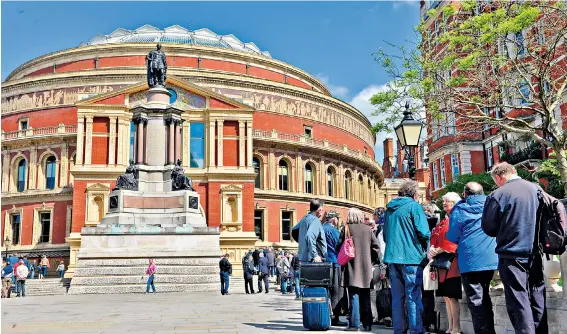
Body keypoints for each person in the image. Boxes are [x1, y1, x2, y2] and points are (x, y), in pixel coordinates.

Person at [481, 162, 547, 333]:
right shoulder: (536, 189)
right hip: (535, 252)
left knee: (519, 300)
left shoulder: (498, 194)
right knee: (537, 296)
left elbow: (489, 227)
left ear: (499, 177)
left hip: (511, 254)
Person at [447, 182, 497, 334]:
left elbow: (452, 236)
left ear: (465, 194)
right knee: (485, 296)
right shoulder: (492, 203)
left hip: (470, 260)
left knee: (476, 300)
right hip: (491, 258)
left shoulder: (460, 209)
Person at [383, 180, 431, 334]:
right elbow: (424, 232)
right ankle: (416, 330)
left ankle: (399, 330)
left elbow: (385, 235)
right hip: (411, 258)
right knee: (413, 295)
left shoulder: (389, 210)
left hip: (393, 257)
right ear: (414, 194)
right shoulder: (414, 206)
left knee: (397, 297)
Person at [339, 208, 380, 331]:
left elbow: (339, 246)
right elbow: (376, 247)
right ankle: (367, 324)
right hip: (366, 267)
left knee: (353, 295)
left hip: (351, 266)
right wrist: (370, 259)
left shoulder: (346, 229)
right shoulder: (368, 229)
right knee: (366, 296)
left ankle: (354, 324)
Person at [429, 192, 462, 334]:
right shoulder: (445, 219)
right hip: (442, 264)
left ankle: (456, 327)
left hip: (452, 263)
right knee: (447, 297)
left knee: (452, 297)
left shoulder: (455, 218)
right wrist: (432, 249)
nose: (444, 203)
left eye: (446, 201)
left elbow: (453, 241)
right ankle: (451, 326)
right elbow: (436, 236)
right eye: (443, 201)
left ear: (454, 203)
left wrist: (439, 250)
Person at [322, 211, 348, 326]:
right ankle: (335, 317)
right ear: (333, 219)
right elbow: (341, 246)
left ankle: (324, 315)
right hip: (335, 263)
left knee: (325, 291)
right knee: (336, 292)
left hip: (322, 264)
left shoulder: (321, 229)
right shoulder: (334, 231)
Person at [421, 203, 439, 333]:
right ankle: (429, 322)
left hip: (420, 261)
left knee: (420, 293)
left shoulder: (420, 222)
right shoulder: (436, 223)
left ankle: (422, 323)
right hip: (433, 261)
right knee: (429, 293)